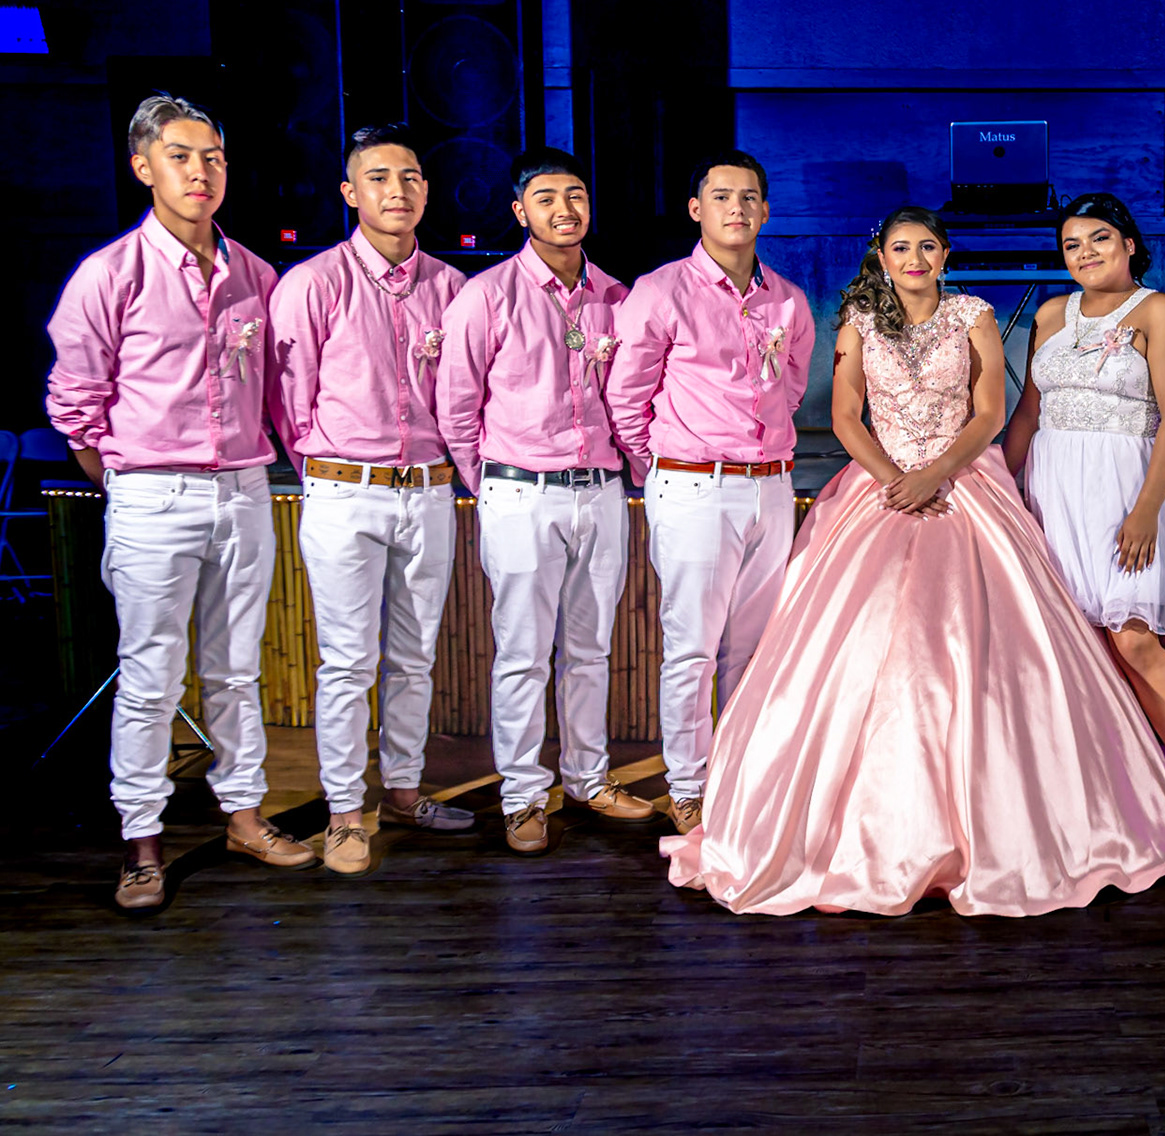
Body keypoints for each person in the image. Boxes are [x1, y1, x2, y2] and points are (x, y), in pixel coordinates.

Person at [661, 207, 1165, 915]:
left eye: (927, 246)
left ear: (944, 253)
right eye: (901, 247)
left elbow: (991, 413)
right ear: (882, 255)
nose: (914, 258)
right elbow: (845, 417)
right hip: (880, 486)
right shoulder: (857, 322)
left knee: (993, 642)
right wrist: (894, 480)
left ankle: (1047, 812)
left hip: (964, 480)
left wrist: (936, 475)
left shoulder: (974, 315)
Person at [46, 93, 316, 911]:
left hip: (244, 490)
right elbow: (74, 405)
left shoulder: (256, 275)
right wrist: (127, 483)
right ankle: (142, 843)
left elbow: (279, 391)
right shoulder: (110, 274)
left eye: (214, 158)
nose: (201, 172)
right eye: (181, 157)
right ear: (143, 167)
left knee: (237, 669)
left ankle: (244, 816)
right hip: (151, 491)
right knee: (150, 675)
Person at [435, 147, 659, 856]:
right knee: (523, 653)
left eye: (576, 195)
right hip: (520, 492)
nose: (565, 209)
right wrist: (490, 487)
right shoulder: (486, 295)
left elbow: (634, 394)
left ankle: (588, 780)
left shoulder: (617, 297)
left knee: (591, 650)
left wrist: (629, 476)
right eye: (546, 198)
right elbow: (456, 406)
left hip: (601, 491)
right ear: (519, 211)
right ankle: (523, 796)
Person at [268, 123, 474, 876]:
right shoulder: (312, 283)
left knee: (416, 657)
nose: (398, 190)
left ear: (427, 189)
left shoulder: (452, 288)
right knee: (349, 661)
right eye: (379, 178)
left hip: (428, 490)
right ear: (350, 192)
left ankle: (405, 792)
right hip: (343, 491)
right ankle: (344, 812)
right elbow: (289, 400)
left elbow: (464, 395)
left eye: (411, 177)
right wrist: (330, 469)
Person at [605, 150, 815, 836]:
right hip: (694, 485)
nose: (737, 208)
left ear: (766, 211)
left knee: (752, 649)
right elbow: (627, 397)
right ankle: (688, 786)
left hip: (771, 486)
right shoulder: (661, 290)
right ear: (696, 209)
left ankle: (741, 778)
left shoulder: (788, 299)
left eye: (749, 196)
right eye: (721, 196)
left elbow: (790, 387)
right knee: (692, 646)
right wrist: (664, 469)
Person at [1003, 192, 1165, 793]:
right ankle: (1113, 787)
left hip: (1127, 489)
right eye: (1072, 244)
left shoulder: (1159, 311)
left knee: (1134, 641)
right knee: (1081, 647)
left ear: (1129, 244)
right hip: (1055, 491)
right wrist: (1002, 489)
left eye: (1099, 238)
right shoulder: (1050, 314)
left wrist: (1146, 511)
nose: (1085, 252)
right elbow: (1027, 414)